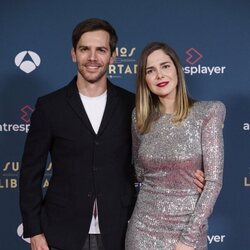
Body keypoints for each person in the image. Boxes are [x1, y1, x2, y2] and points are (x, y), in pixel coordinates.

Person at [20, 19, 205, 250]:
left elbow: (153, 158)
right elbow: (30, 173)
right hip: (60, 232)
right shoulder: (50, 107)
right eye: (84, 49)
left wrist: (190, 177)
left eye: (101, 50)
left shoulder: (133, 106)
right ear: (73, 54)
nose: (92, 57)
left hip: (119, 230)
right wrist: (34, 231)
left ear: (113, 56)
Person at [125, 42, 225, 250]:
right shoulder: (139, 118)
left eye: (165, 66)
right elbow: (140, 172)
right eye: (150, 71)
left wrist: (188, 239)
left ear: (177, 70)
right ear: (145, 80)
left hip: (188, 230)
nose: (159, 75)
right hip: (142, 230)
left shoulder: (208, 112)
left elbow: (214, 182)